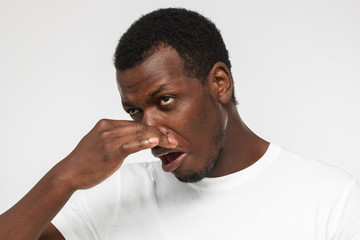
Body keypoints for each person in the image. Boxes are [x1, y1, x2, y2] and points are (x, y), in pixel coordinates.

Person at [0, 8, 359, 240]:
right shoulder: (118, 195)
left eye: (164, 100)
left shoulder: (332, 199)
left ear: (219, 83)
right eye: (134, 112)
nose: (151, 133)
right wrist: (64, 178)